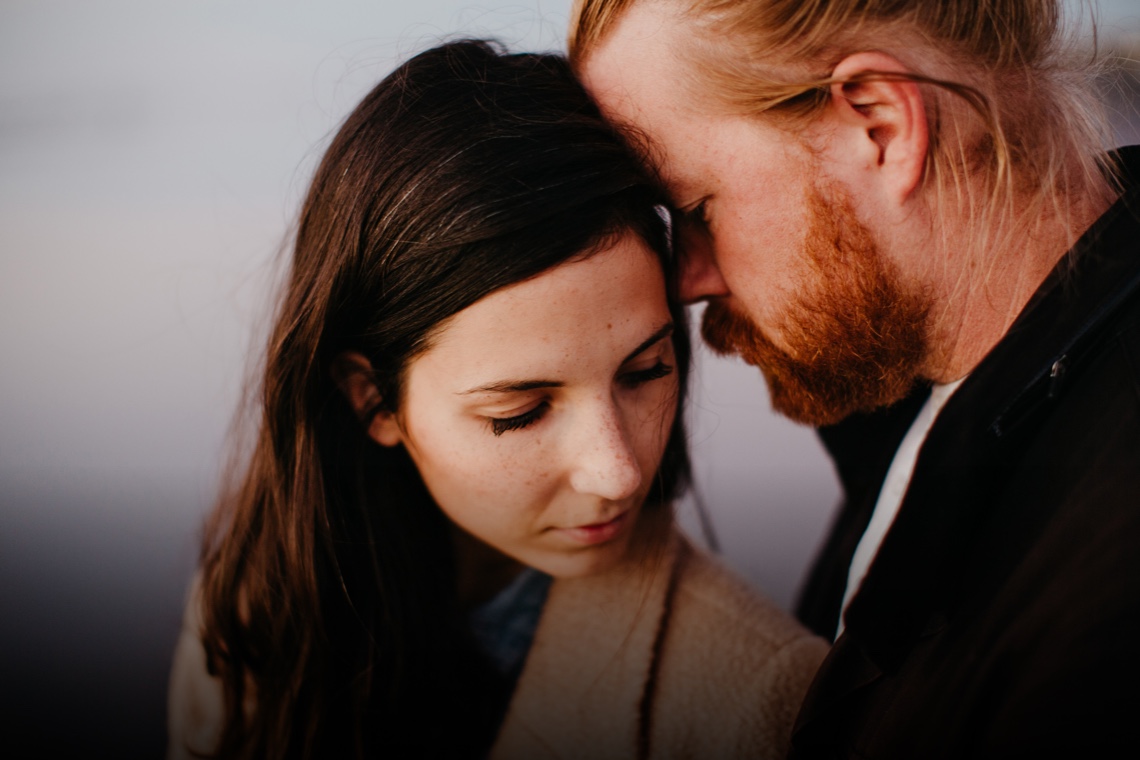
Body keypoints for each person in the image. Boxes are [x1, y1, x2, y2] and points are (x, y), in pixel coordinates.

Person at [165, 39, 827, 760]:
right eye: (521, 411)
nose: (619, 472)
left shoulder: (762, 704)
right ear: (373, 402)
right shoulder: (255, 616)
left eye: (645, 372)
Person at [569, 0, 1140, 757]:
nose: (686, 281)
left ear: (881, 127)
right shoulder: (921, 417)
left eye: (696, 207)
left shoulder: (1107, 599)